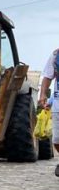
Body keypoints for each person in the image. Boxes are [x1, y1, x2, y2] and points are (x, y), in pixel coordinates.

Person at [38, 47, 59, 176]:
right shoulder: (56, 55)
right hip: (58, 105)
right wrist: (42, 95)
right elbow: (47, 76)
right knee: (56, 140)